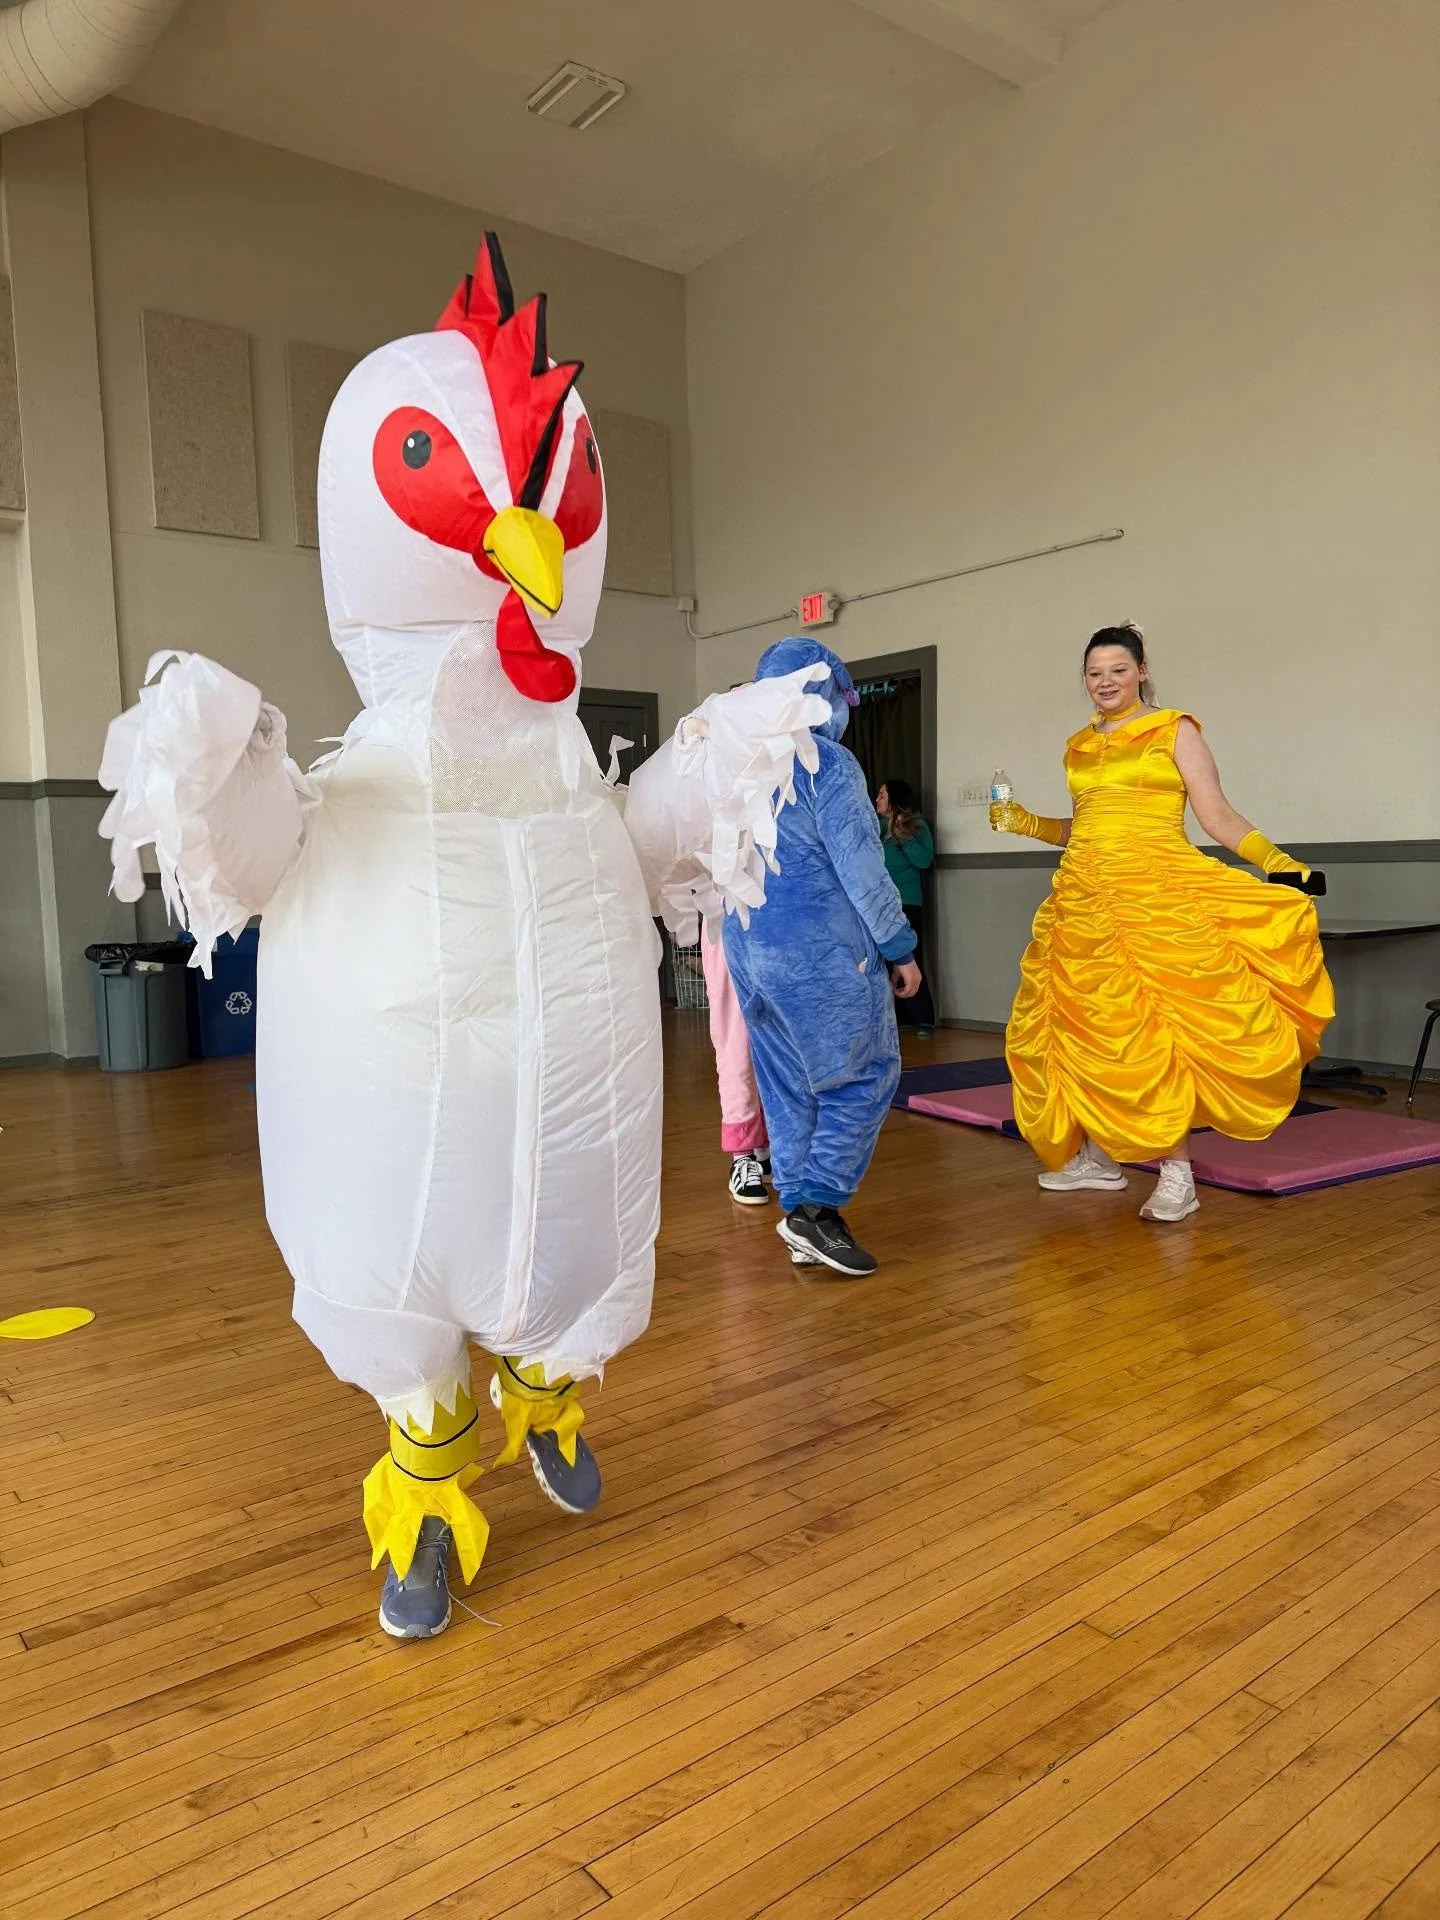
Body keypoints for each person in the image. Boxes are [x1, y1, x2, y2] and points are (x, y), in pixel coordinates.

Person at [993, 622, 1333, 1224]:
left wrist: (1279, 863)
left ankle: (1179, 1175)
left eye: (1118, 670)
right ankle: (1098, 1156)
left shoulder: (1174, 728)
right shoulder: (1077, 744)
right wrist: (1028, 823)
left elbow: (1215, 814)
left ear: (1142, 670)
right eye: (1094, 673)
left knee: (1155, 1032)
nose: (1105, 682)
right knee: (1086, 1026)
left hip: (1155, 895)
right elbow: (1087, 827)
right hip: (1083, 899)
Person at [723, 638, 923, 1277]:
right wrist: (899, 946)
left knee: (787, 1087)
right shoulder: (827, 766)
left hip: (749, 949)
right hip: (822, 953)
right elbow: (863, 871)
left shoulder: (736, 766)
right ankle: (820, 1211)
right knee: (865, 1075)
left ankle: (799, 1214)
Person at [699, 929, 772, 1205]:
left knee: (776, 1044)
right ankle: (742, 1156)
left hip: (777, 919)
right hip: (727, 918)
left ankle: (765, 1147)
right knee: (736, 1045)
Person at [876, 777, 937, 1034]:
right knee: (881, 962)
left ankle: (922, 1019)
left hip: (907, 901)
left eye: (881, 795)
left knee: (908, 957)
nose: (876, 799)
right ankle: (893, 1019)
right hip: (878, 903)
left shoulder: (915, 824)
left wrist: (904, 835)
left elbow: (924, 860)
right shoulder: (874, 826)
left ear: (894, 799)